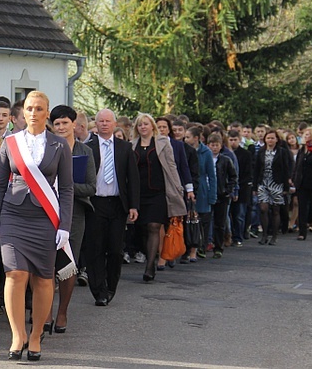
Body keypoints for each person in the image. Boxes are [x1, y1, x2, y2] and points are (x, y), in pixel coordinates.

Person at [0, 92, 74, 362]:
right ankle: (17, 334)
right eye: (29, 108)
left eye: (39, 109)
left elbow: (68, 188)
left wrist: (65, 225)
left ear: (47, 113)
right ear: (22, 113)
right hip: (13, 215)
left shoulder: (60, 145)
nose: (34, 113)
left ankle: (36, 335)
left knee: (44, 278)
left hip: (45, 219)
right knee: (15, 274)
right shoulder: (10, 143)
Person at [46, 104, 96, 333]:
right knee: (45, 263)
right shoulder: (45, 148)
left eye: (65, 123)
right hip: (45, 211)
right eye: (57, 123)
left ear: (74, 125)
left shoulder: (85, 151)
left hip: (75, 213)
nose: (61, 127)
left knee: (68, 264)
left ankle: (62, 311)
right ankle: (44, 311)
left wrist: (65, 187)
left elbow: (91, 187)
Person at [84, 109, 139, 305]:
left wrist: (134, 205)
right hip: (95, 203)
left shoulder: (125, 148)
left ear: (115, 124)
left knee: (115, 250)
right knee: (95, 248)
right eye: (101, 121)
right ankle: (98, 291)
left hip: (117, 204)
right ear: (96, 124)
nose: (105, 124)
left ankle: (111, 286)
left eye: (108, 121)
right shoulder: (88, 147)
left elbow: (132, 178)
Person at [131, 114, 187, 278]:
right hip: (138, 193)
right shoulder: (131, 145)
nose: (143, 127)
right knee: (141, 229)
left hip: (158, 192)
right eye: (140, 124)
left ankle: (150, 266)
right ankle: (150, 256)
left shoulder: (162, 143)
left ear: (152, 126)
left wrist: (178, 188)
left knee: (154, 226)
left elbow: (171, 166)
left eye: (146, 124)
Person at [254, 129, 293, 245]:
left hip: (276, 183)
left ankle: (274, 236)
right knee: (263, 209)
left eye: (272, 138)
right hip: (263, 183)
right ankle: (264, 234)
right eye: (268, 138)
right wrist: (255, 187)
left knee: (276, 210)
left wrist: (286, 187)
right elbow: (256, 169)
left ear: (277, 140)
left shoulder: (282, 152)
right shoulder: (261, 152)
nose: (270, 140)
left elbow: (286, 169)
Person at [184, 126, 216, 261]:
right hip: (187, 185)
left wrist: (212, 195)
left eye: (188, 137)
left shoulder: (206, 152)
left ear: (196, 138)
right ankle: (186, 249)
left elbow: (211, 175)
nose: (185, 139)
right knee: (187, 218)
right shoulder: (183, 150)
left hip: (201, 187)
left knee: (198, 219)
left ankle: (195, 250)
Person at [207, 134, 236, 258]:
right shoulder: (204, 158)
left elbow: (233, 176)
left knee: (220, 222)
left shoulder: (225, 160)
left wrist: (228, 190)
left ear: (221, 146)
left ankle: (218, 247)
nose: (214, 148)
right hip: (208, 193)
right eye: (212, 145)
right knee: (206, 221)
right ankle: (205, 244)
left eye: (216, 145)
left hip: (221, 194)